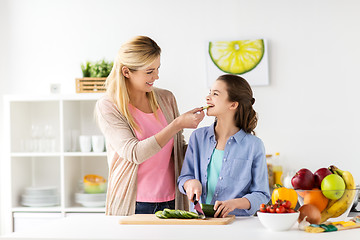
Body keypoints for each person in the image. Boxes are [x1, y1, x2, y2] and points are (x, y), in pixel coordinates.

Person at [95, 36, 205, 215]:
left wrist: (213, 138)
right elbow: (134, 153)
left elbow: (177, 149)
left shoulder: (166, 98)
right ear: (126, 72)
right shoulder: (108, 105)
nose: (157, 76)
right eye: (149, 71)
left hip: (171, 199)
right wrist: (177, 124)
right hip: (133, 203)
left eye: (158, 69)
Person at [177, 74, 270, 217]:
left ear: (233, 104)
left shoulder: (254, 145)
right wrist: (190, 183)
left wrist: (235, 203)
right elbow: (184, 177)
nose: (208, 98)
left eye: (215, 94)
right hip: (200, 220)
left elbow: (262, 195)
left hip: (237, 222)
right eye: (209, 93)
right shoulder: (198, 137)